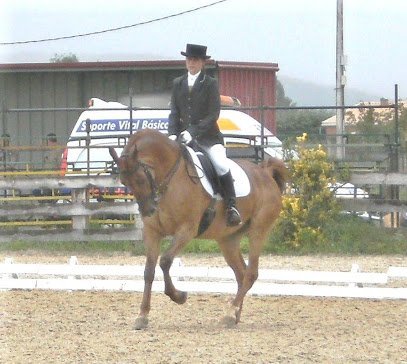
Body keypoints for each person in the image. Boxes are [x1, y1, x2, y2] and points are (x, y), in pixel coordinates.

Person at [168, 43, 241, 226]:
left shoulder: (210, 84)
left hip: (209, 138)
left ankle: (232, 206)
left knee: (221, 164)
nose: (190, 63)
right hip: (183, 138)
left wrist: (192, 132)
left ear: (202, 63)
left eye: (194, 60)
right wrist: (171, 134)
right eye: (188, 59)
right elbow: (174, 112)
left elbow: (212, 115)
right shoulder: (178, 83)